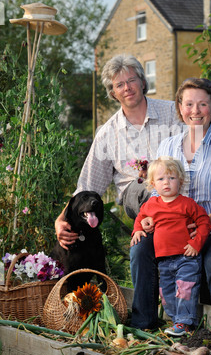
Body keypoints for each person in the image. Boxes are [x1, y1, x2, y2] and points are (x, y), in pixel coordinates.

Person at [54, 54, 182, 327]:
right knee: (148, 190)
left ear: (142, 81)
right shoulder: (108, 133)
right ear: (112, 92)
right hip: (137, 199)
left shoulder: (173, 113)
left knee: (147, 245)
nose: (127, 87)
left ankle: (158, 316)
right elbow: (87, 188)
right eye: (119, 84)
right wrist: (61, 218)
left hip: (178, 198)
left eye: (131, 80)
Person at [140, 77, 211, 314]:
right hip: (172, 230)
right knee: (140, 249)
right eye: (189, 104)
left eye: (203, 104)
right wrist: (147, 219)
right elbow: (154, 191)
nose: (195, 111)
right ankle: (146, 318)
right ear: (180, 108)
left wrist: (206, 222)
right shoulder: (167, 147)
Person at [131, 157, 211, 336]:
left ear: (180, 181)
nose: (166, 182)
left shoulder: (187, 204)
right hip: (164, 260)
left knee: (184, 289)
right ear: (152, 184)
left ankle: (185, 322)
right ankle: (178, 322)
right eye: (161, 179)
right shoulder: (151, 204)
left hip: (186, 257)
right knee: (166, 293)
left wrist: (196, 243)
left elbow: (204, 222)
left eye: (171, 178)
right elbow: (140, 217)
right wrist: (137, 230)